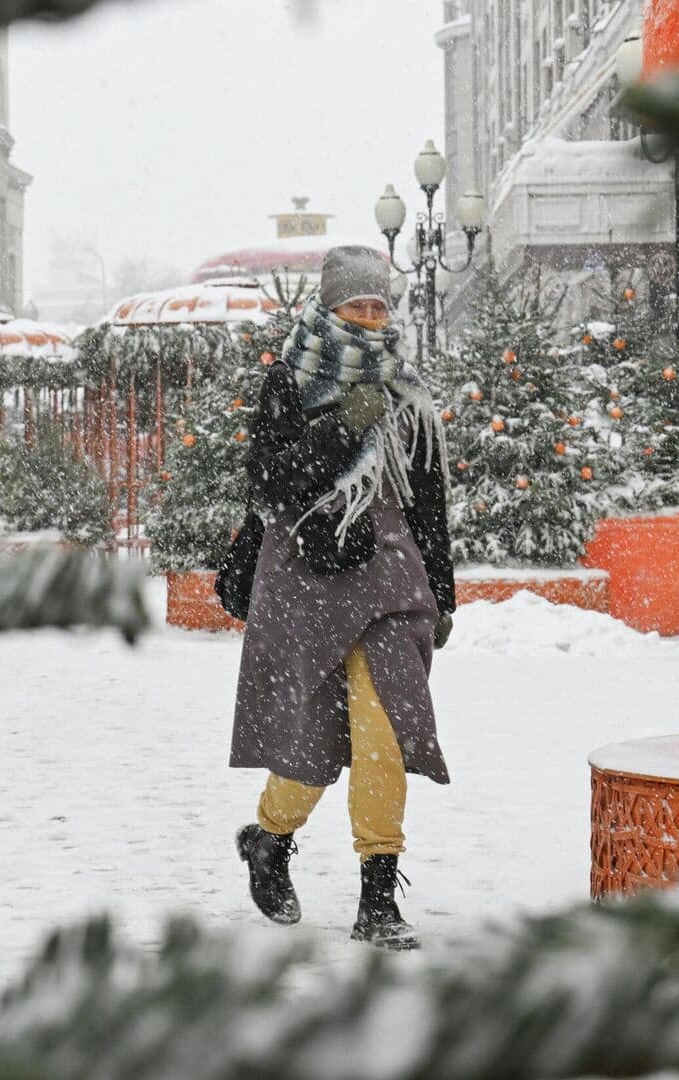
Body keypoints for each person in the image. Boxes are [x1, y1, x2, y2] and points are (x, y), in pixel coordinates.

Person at [231, 245, 456, 951]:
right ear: (328, 306)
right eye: (356, 304)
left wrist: (442, 592)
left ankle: (378, 897)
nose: (368, 316)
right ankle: (269, 837)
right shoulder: (288, 380)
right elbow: (268, 479)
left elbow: (428, 503)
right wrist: (340, 429)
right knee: (310, 740)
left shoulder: (407, 390)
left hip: (388, 579)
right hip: (306, 579)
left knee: (384, 733)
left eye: (378, 306)